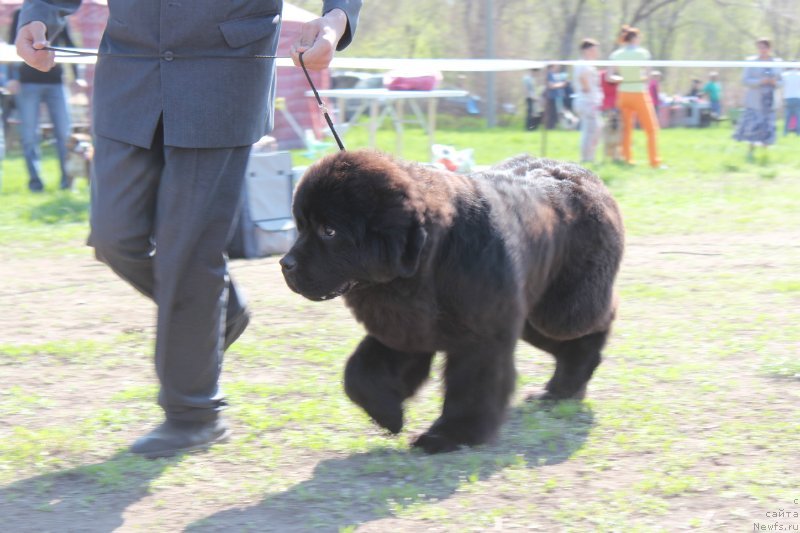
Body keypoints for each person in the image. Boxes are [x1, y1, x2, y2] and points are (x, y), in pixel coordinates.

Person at [16, 0, 361, 458]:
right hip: (129, 72)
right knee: (114, 237)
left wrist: (336, 19)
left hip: (223, 74)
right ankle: (222, 310)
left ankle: (193, 413)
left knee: (189, 250)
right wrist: (39, 12)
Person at [9, 8, 79, 192]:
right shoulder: (20, 14)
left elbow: (69, 44)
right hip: (27, 83)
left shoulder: (60, 12)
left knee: (64, 134)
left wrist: (77, 76)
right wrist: (11, 77)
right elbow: (11, 45)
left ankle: (67, 182)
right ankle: (35, 183)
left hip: (56, 82)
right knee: (29, 135)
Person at [609, 25, 662, 168]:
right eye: (639, 37)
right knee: (651, 129)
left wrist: (623, 79)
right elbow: (649, 75)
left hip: (623, 94)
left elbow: (609, 77)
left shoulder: (616, 54)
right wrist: (641, 79)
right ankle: (654, 161)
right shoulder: (643, 53)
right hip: (639, 93)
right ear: (634, 38)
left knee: (626, 129)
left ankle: (628, 160)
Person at [733, 38, 782, 161]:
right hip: (754, 101)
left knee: (767, 127)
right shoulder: (751, 62)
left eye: (764, 47)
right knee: (752, 127)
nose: (762, 50)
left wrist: (775, 82)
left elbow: (781, 81)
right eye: (759, 47)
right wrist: (760, 81)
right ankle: (750, 151)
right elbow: (745, 80)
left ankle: (765, 153)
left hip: (769, 102)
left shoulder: (777, 62)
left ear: (769, 48)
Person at [573, 38, 603, 163]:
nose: (596, 53)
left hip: (591, 101)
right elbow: (582, 77)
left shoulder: (589, 64)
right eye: (593, 50)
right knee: (590, 131)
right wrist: (587, 88)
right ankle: (587, 158)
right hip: (587, 101)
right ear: (586, 50)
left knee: (596, 129)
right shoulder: (583, 64)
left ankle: (590, 156)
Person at [600, 68, 622, 162]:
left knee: (608, 132)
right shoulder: (612, 76)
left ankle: (610, 155)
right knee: (615, 132)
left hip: (606, 104)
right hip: (614, 105)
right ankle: (614, 156)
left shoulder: (601, 74)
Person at [544, 64, 567, 129]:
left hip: (556, 97)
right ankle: (550, 126)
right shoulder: (549, 74)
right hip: (552, 97)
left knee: (556, 112)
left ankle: (553, 126)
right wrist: (561, 84)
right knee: (552, 113)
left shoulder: (555, 74)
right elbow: (550, 86)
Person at [780, 65, 800, 136]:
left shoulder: (784, 75)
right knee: (798, 117)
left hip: (787, 97)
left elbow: (781, 85)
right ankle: (798, 132)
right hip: (797, 97)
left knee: (787, 117)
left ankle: (785, 132)